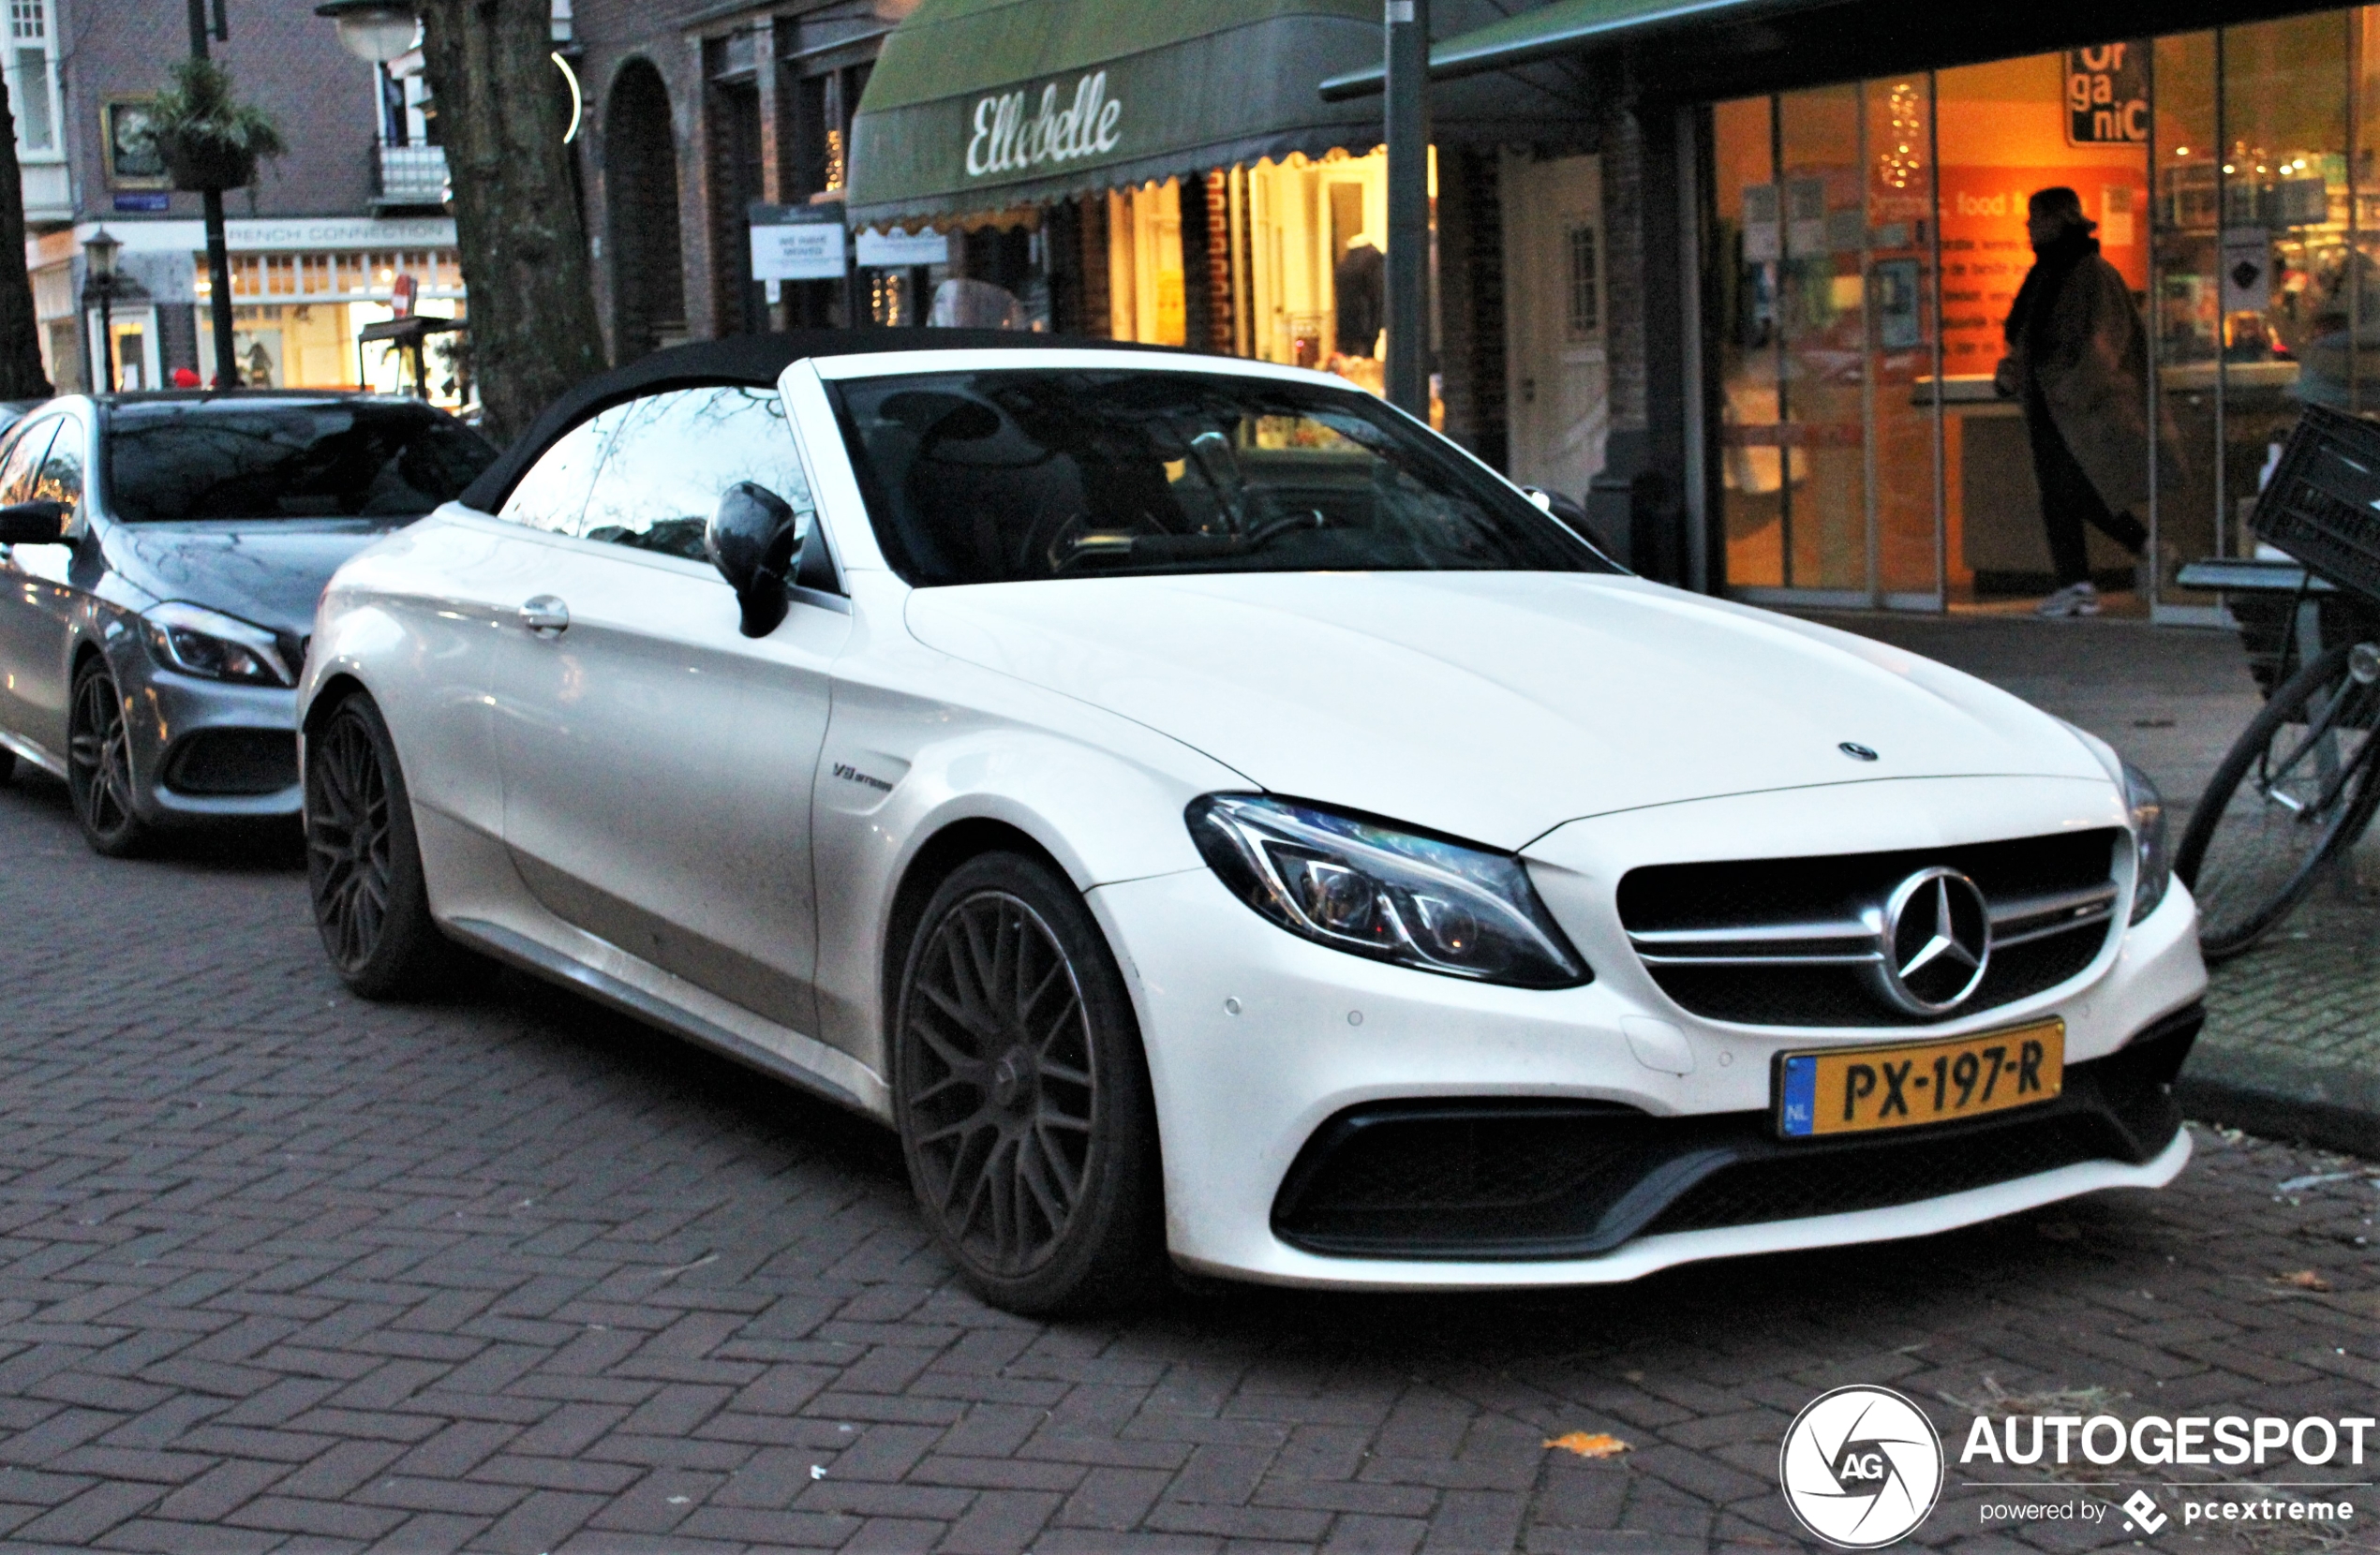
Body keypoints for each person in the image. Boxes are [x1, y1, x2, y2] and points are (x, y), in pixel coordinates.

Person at [1994, 187, 2156, 618]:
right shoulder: (2057, 270)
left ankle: (2084, 578)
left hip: (2071, 402)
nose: (2029, 227)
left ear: (2056, 219)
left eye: (2036, 218)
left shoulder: (2081, 273)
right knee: (2067, 488)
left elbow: (2091, 341)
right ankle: (2122, 557)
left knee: (2064, 489)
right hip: (2055, 400)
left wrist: (2060, 382)